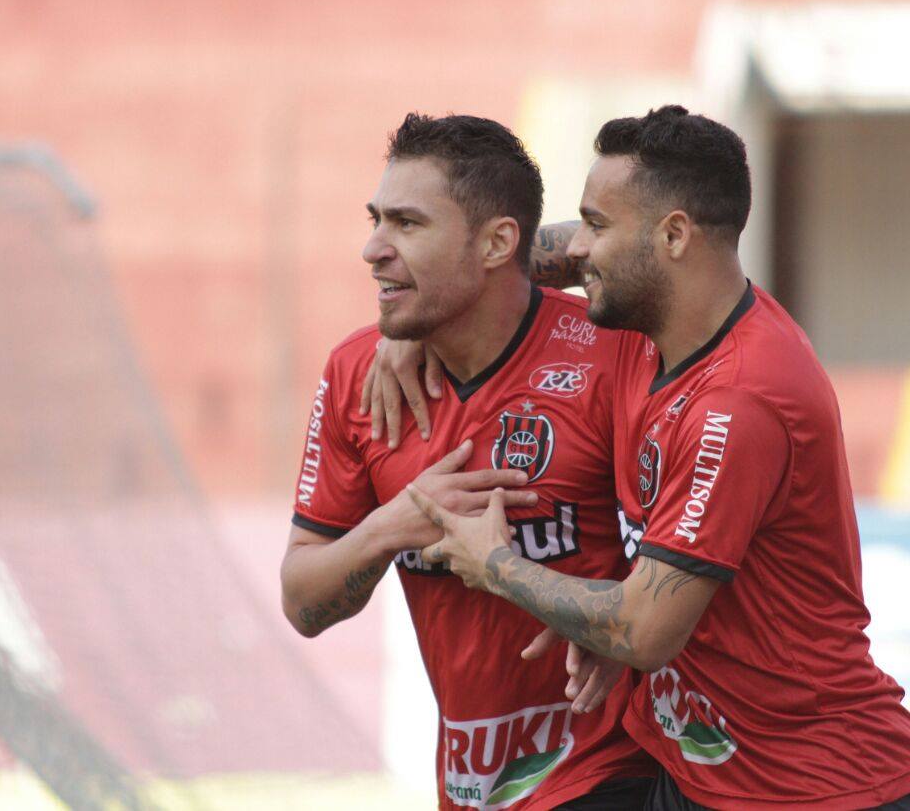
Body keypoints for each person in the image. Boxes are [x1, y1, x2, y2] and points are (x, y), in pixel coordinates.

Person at [399, 106, 910, 809]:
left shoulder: (740, 400)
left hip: (822, 790)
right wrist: (425, 311)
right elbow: (531, 253)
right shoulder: (648, 325)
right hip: (700, 779)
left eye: (598, 225)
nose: (578, 250)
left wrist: (495, 564)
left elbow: (643, 627)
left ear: (674, 235)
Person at [280, 113, 655, 809]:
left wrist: (620, 625)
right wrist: (393, 525)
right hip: (471, 786)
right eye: (376, 220)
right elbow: (302, 600)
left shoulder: (614, 353)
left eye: (408, 225)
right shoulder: (358, 373)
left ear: (496, 243)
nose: (373, 248)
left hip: (616, 768)